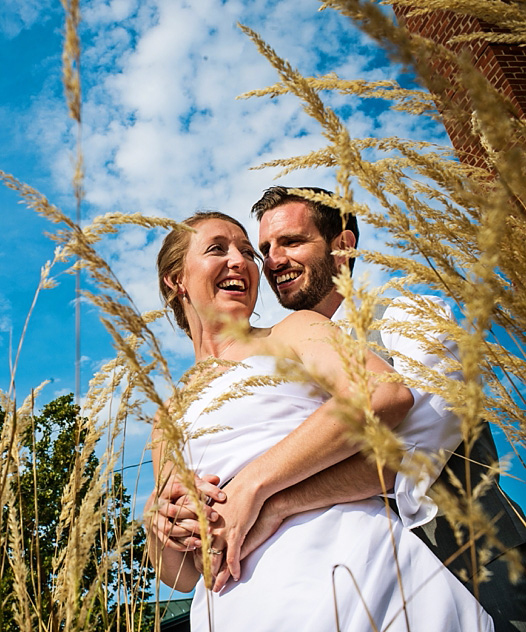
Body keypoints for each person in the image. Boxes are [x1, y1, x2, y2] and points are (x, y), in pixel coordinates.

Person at [145, 211, 493, 631]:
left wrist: (254, 485)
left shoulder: (295, 330)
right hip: (238, 610)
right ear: (175, 279)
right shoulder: (167, 415)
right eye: (218, 248)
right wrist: (160, 526)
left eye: (246, 252)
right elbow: (180, 576)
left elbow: (382, 393)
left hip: (351, 572)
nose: (243, 261)